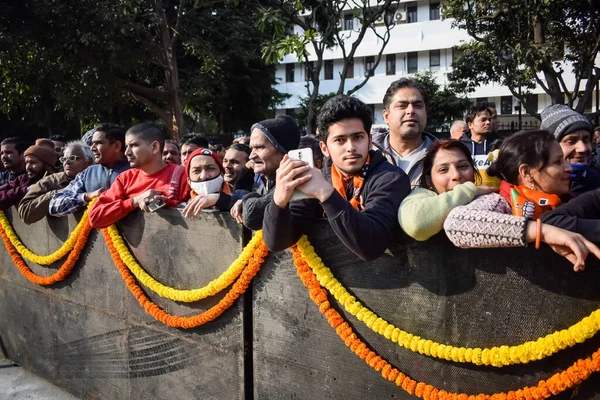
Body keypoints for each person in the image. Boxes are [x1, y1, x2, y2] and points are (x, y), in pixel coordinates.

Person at [263, 95, 411, 261]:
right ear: (324, 148)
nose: (350, 147)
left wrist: (326, 194)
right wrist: (278, 201)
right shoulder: (318, 178)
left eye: (358, 137)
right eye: (340, 140)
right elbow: (277, 243)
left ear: (369, 141)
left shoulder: (392, 179)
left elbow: (371, 246)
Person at [443, 130, 600, 271]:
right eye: (557, 162)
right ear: (526, 172)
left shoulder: (569, 201)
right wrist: (543, 232)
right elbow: (455, 224)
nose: (569, 168)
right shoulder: (501, 202)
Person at [88, 123, 189, 229]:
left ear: (154, 147)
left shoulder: (183, 175)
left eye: (134, 145)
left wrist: (169, 203)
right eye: (127, 146)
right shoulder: (125, 178)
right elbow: (95, 217)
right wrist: (134, 201)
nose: (127, 152)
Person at [398, 140, 497, 241]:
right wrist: (469, 190)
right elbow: (416, 225)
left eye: (462, 166)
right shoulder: (421, 196)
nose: (456, 175)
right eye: (443, 170)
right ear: (428, 180)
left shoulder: (489, 197)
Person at [230, 115, 301, 229]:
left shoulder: (297, 182)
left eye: (259, 147)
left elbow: (251, 216)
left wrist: (245, 201)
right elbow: (258, 198)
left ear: (283, 150)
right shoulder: (268, 180)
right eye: (252, 148)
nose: (252, 155)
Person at [49, 123, 130, 216]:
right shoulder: (88, 173)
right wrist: (87, 196)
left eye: (99, 143)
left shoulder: (136, 171)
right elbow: (54, 205)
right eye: (92, 143)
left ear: (117, 146)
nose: (92, 148)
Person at [373, 78, 437, 189]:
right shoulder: (368, 154)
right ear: (386, 116)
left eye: (418, 105)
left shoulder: (441, 155)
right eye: (402, 105)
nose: (411, 111)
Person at [18, 141, 93, 224]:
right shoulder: (51, 181)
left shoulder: (100, 178)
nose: (67, 162)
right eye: (64, 159)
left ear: (89, 161)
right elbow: (25, 212)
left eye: (72, 158)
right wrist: (57, 194)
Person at [540, 104, 600, 195]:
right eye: (571, 141)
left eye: (586, 140)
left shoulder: (596, 183)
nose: (583, 149)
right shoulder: (533, 188)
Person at [181, 148, 254, 217]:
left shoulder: (241, 196)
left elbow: (251, 210)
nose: (204, 176)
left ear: (222, 174)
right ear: (189, 181)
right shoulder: (183, 206)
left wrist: (220, 199)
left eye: (210, 168)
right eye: (196, 171)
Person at [0, 141, 56, 210]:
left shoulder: (56, 182)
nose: (28, 167)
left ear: (48, 165)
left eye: (33, 163)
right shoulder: (23, 179)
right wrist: (24, 190)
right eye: (26, 163)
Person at [460, 105, 502, 187]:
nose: (488, 122)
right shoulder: (460, 147)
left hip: (496, 193)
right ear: (470, 124)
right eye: (483, 120)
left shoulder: (499, 144)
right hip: (469, 195)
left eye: (489, 119)